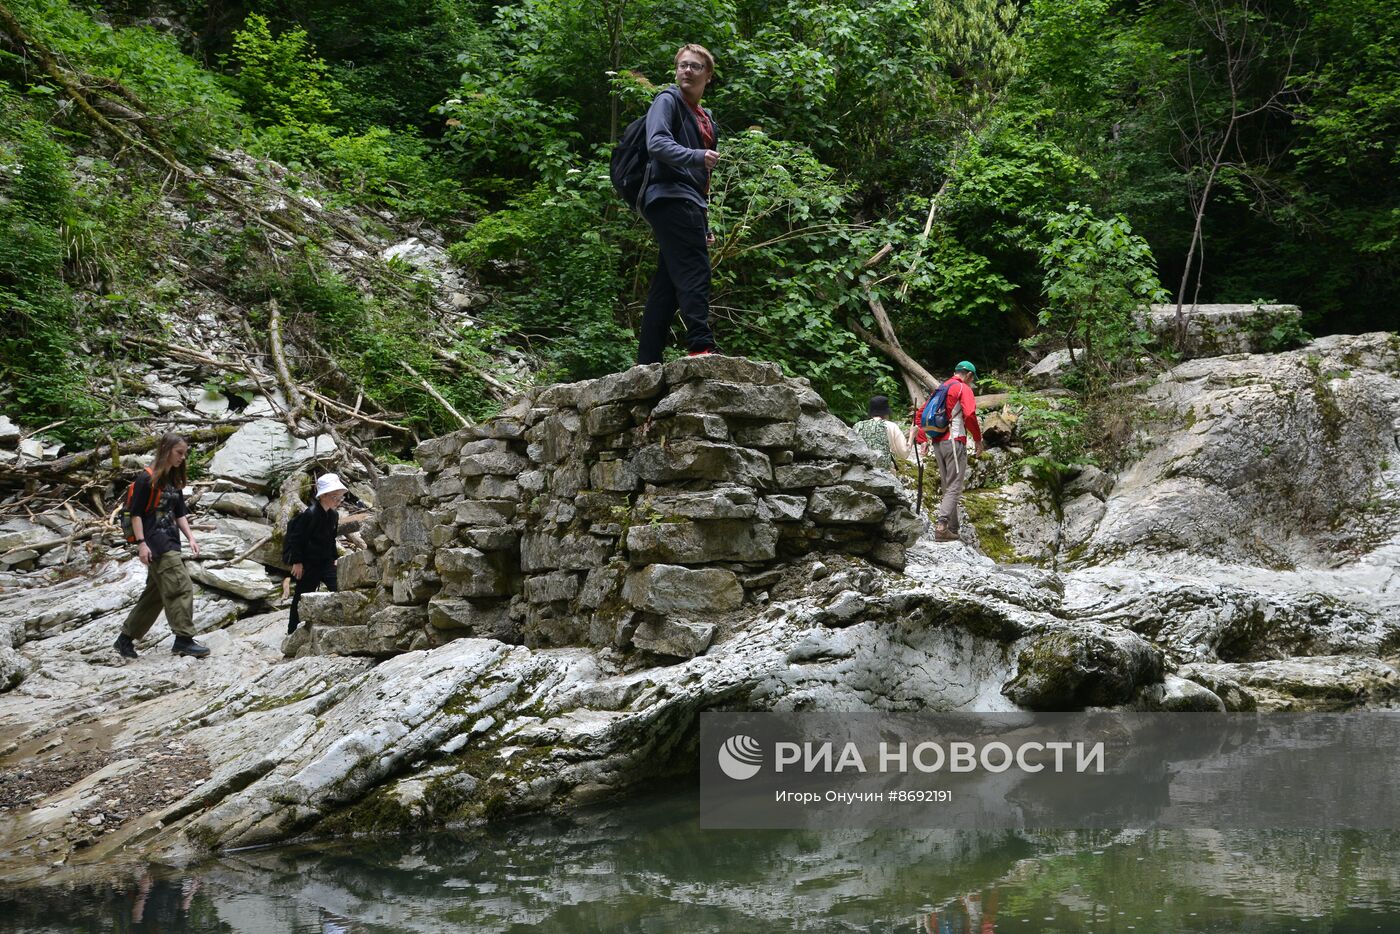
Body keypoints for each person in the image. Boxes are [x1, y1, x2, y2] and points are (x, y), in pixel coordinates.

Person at [637, 43, 720, 364]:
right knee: (695, 269)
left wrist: (705, 222)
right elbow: (656, 143)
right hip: (668, 194)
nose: (687, 70)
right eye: (682, 65)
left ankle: (647, 361)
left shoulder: (706, 118)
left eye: (695, 66)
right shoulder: (667, 100)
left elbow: (702, 180)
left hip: (689, 201)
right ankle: (701, 345)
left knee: (668, 284)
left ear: (708, 76)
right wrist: (697, 156)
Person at [113, 433, 208, 659]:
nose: (183, 458)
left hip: (171, 541)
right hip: (156, 544)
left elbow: (179, 512)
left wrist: (191, 538)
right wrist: (141, 544)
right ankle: (183, 640)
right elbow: (135, 514)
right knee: (180, 586)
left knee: (154, 595)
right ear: (166, 450)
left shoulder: (173, 479)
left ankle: (124, 640)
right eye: (179, 453)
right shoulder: (146, 479)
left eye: (185, 454)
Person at [926, 362, 984, 542]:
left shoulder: (941, 387)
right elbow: (970, 414)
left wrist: (922, 440)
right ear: (967, 375)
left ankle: (952, 528)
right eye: (972, 378)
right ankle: (942, 527)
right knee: (954, 486)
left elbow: (922, 411)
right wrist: (977, 438)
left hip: (937, 442)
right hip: (954, 442)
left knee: (947, 485)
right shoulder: (962, 388)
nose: (972, 382)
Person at [284, 473, 348, 635]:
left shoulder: (333, 515)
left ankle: (343, 622)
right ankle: (292, 631)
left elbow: (331, 539)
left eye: (340, 498)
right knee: (302, 596)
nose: (338, 501)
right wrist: (297, 562)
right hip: (309, 564)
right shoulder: (310, 514)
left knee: (339, 589)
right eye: (335, 497)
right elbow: (296, 539)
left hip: (326, 562)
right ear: (324, 495)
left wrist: (334, 558)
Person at [852, 395, 912, 466]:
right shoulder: (892, 426)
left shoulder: (859, 426)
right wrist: (912, 435)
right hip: (885, 472)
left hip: (861, 468)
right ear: (886, 413)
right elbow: (904, 453)